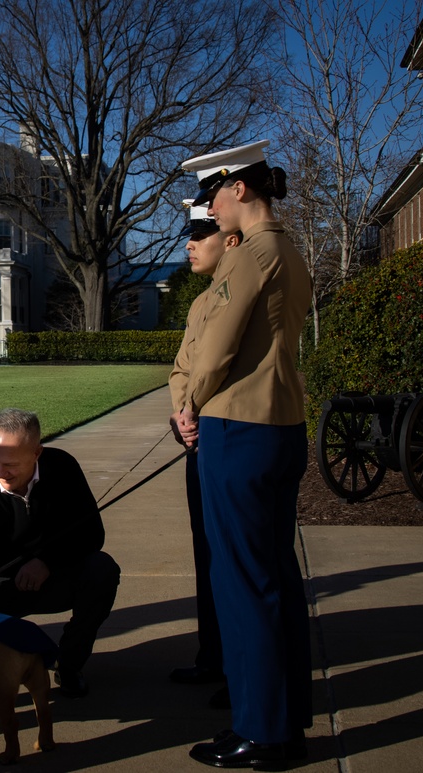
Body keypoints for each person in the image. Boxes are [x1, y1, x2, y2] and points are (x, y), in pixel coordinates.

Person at [177, 140, 313, 768]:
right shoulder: (290, 249)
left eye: (212, 193)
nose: (209, 207)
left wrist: (190, 403)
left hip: (238, 427)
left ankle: (262, 729)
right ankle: (286, 715)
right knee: (277, 579)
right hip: (282, 423)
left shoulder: (251, 255)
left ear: (239, 188)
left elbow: (217, 347)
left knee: (243, 584)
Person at [0, 408, 121, 699]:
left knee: (102, 570)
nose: (0, 471)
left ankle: (69, 665)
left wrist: (47, 562)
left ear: (37, 453)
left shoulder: (63, 468)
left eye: (11, 463)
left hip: (54, 575)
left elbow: (92, 534)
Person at [167, 201, 242, 708]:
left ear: (229, 239)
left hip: (228, 434)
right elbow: (181, 369)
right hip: (199, 439)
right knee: (205, 553)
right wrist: (181, 414)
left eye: (200, 234)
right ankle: (213, 655)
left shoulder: (238, 291)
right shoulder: (199, 304)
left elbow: (217, 364)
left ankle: (238, 668)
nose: (189, 244)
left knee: (230, 559)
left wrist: (191, 409)